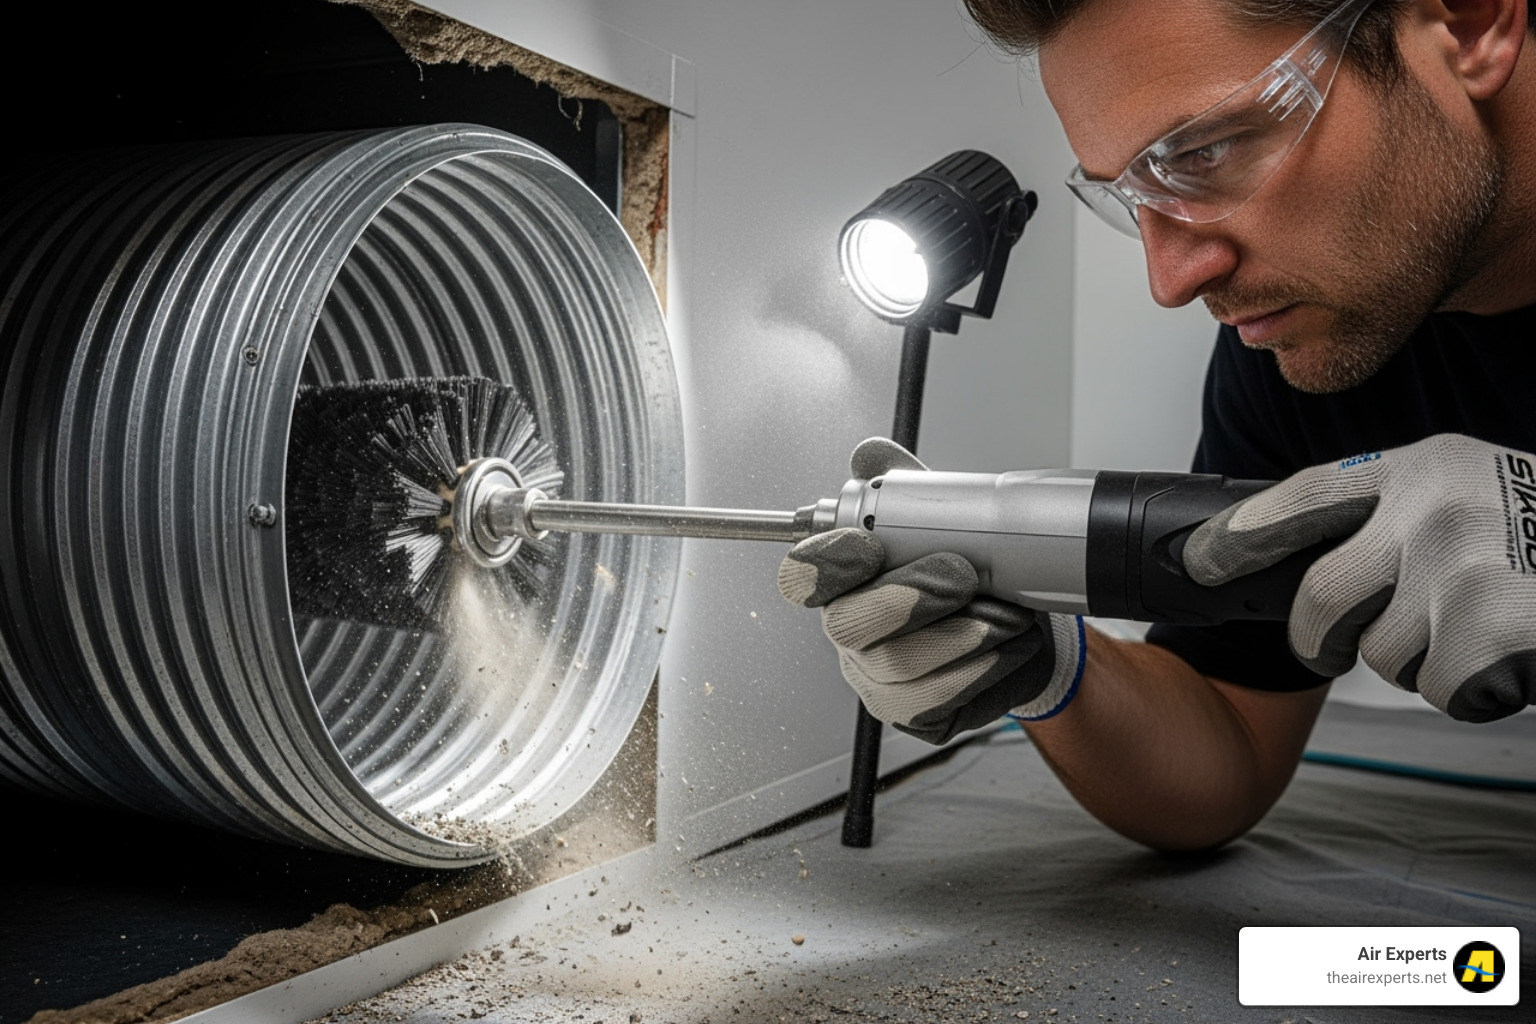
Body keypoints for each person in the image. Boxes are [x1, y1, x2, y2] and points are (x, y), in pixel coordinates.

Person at [777, 0, 1536, 851]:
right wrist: (1050, 666)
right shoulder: (1317, 338)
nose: (1171, 281)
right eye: (1131, 194)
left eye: (1206, 151)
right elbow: (1227, 753)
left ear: (1470, 25)